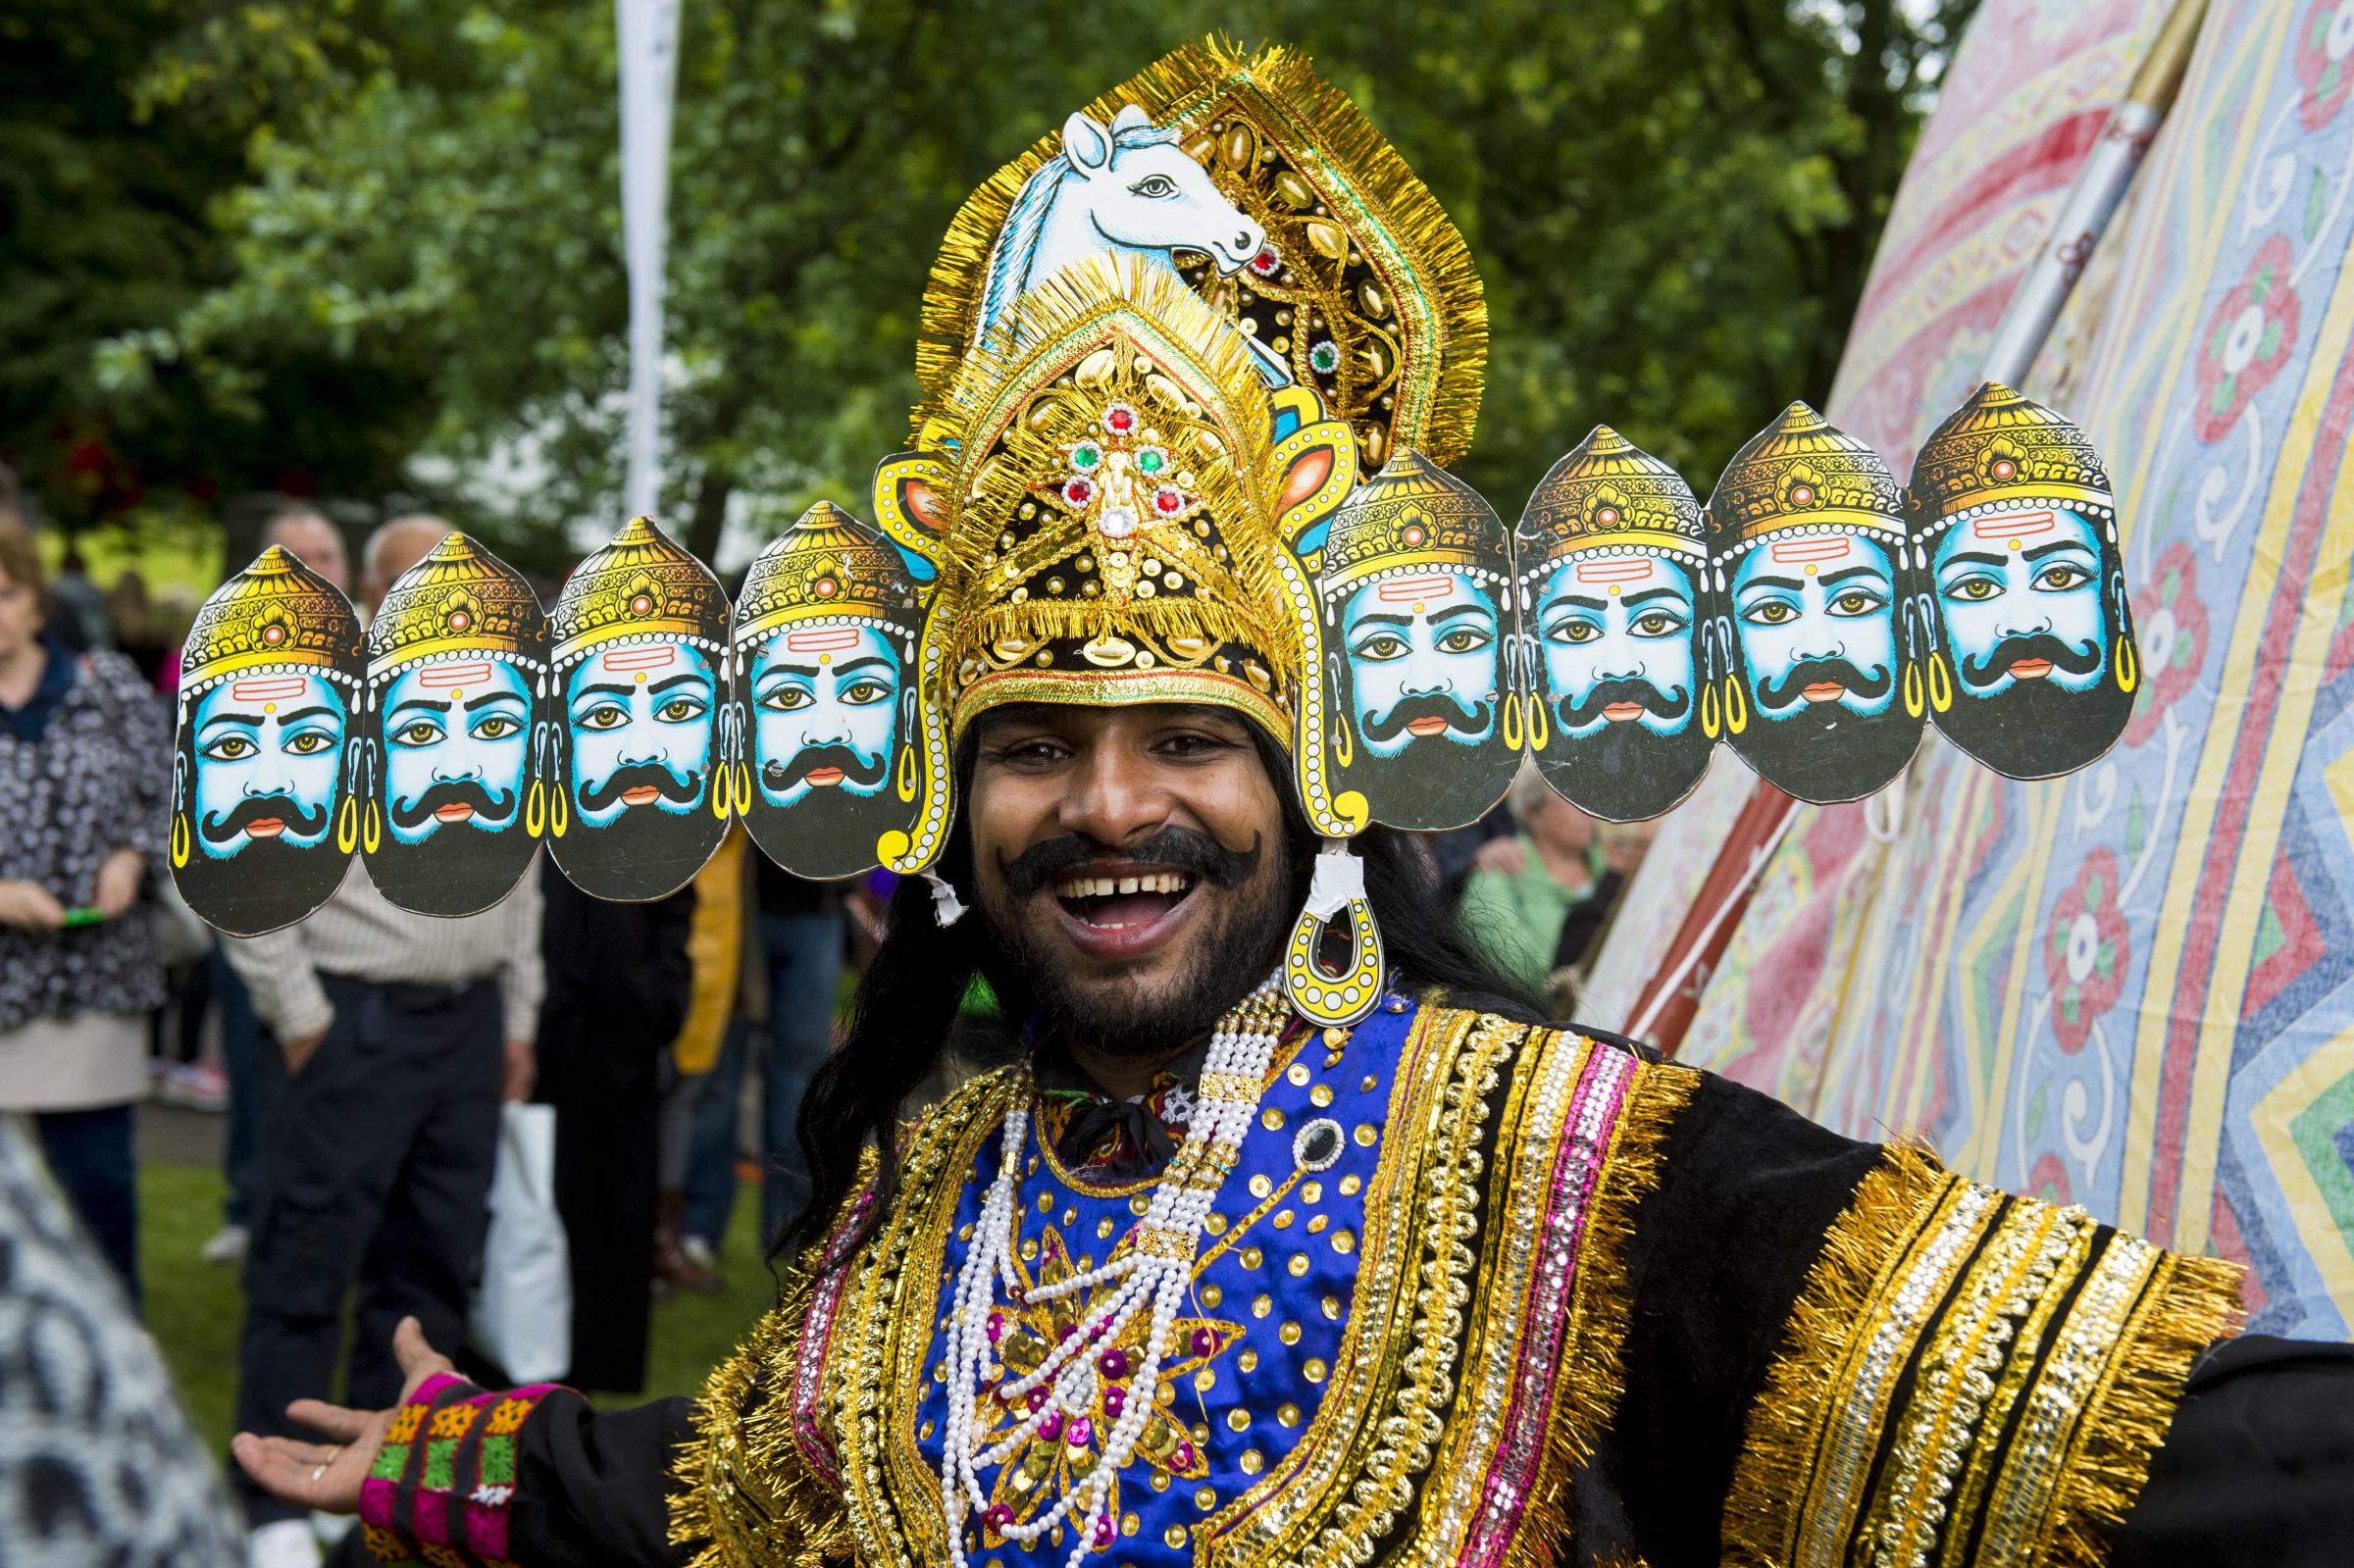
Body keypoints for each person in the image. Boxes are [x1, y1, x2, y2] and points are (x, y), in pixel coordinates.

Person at [229, 53, 2353, 1568]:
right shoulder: (930, 1193)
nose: (1110, 803)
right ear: (949, 810)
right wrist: (465, 1464)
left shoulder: (1574, 1171)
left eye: (1189, 734)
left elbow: (2100, 1432)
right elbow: (741, 1474)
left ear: (1315, 765)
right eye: (1038, 741)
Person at [223, 513, 545, 1568]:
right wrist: (300, 1015)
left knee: (431, 1271)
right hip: (354, 1019)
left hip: (465, 1028)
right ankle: (273, 1499)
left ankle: (377, 1490)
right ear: (369, 590)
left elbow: (526, 875)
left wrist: (518, 1018)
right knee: (307, 1258)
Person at [0, 522, 172, 1303]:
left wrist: (133, 853)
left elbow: (175, 792)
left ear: (35, 602)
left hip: (97, 987)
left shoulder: (108, 686)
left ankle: (118, 1374)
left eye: (4, 593)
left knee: (100, 1198)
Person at [205, 500, 357, 1268]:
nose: (313, 572)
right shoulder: (234, 671)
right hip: (259, 912)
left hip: (357, 934)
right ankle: (249, 1206)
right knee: (259, 1066)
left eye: (324, 555)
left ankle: (329, 1238)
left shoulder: (379, 661)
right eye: (293, 559)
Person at [532, 846, 694, 1391]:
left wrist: (659, 989)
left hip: (626, 1035)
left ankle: (587, 1375)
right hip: (539, 1026)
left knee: (611, 1210)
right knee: (530, 1207)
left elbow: (677, 896)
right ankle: (524, 1359)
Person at [1458, 764, 1655, 1011]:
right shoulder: (1491, 885)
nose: (1587, 809)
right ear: (1533, 814)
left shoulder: (1613, 862)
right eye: (1571, 798)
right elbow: (1530, 982)